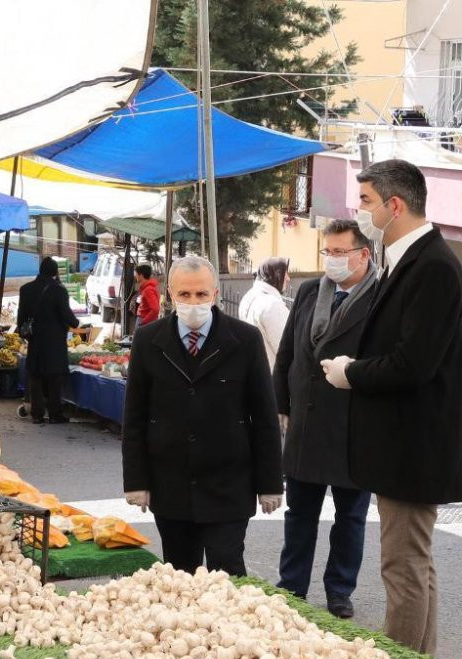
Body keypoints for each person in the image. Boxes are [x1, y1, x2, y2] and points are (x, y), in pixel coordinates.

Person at [320, 159, 462, 655]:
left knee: (403, 567)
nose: (359, 211)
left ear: (395, 204)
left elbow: (414, 364)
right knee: (414, 565)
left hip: (414, 447)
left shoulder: (432, 266)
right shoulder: (407, 259)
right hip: (404, 443)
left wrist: (351, 372)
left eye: (365, 201)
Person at [122, 255, 283, 576]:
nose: (193, 302)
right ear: (170, 294)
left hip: (229, 484)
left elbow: (265, 417)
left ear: (215, 294)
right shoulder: (148, 340)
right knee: (179, 576)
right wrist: (136, 481)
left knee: (228, 571)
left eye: (201, 294)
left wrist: (270, 484)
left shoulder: (245, 339)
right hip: (170, 484)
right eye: (184, 294)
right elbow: (135, 417)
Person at [272, 220, 378, 618]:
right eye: (327, 251)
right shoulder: (309, 291)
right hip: (307, 420)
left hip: (353, 424)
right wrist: (281, 403)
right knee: (299, 513)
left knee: (350, 516)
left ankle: (339, 590)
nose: (331, 259)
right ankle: (292, 585)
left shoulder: (381, 298)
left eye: (339, 252)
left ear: (363, 254)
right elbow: (288, 352)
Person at [17, 257, 79, 424]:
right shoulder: (59, 290)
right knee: (54, 377)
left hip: (35, 339)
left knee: (36, 376)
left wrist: (25, 333)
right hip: (54, 341)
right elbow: (66, 314)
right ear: (55, 272)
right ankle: (55, 414)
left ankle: (37, 414)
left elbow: (21, 317)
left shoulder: (26, 289)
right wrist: (76, 323)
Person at [238, 256, 290, 370]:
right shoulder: (273, 305)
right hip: (272, 374)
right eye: (285, 273)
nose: (288, 278)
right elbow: (286, 350)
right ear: (276, 274)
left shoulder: (248, 297)